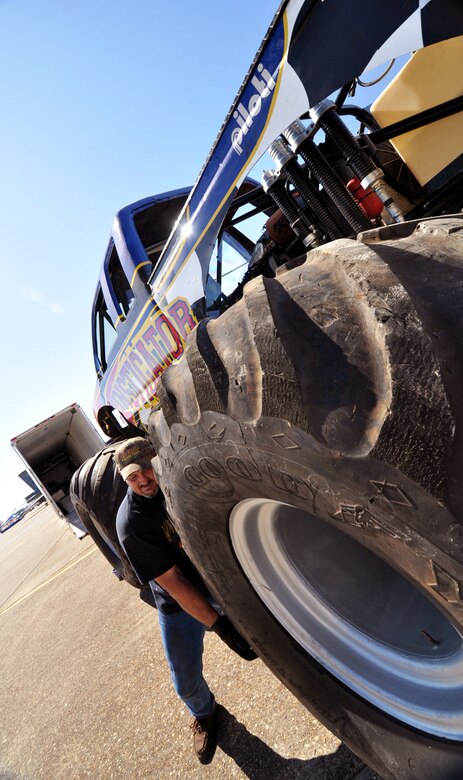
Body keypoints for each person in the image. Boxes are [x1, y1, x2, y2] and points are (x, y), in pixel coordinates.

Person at [114, 436, 256, 765]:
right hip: (179, 604)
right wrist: (220, 625)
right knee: (185, 680)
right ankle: (204, 713)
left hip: (218, 576)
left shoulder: (185, 479)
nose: (143, 481)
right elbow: (173, 582)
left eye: (147, 470)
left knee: (270, 629)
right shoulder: (131, 523)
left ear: (159, 461)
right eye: (133, 477)